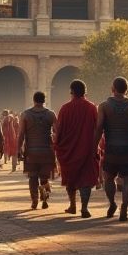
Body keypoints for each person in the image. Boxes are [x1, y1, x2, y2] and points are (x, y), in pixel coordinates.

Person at [94, 76, 128, 222]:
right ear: (127, 90)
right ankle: (125, 207)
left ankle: (112, 203)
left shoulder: (104, 106)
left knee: (108, 178)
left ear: (112, 89)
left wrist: (95, 146)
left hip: (111, 148)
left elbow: (99, 128)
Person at [54, 80, 99, 217]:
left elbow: (59, 130)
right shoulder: (91, 108)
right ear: (85, 92)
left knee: (71, 177)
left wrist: (57, 145)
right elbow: (97, 129)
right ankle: (84, 207)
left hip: (69, 150)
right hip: (87, 149)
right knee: (86, 179)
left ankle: (73, 205)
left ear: (71, 91)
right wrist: (96, 147)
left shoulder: (65, 108)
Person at [18, 91, 57, 210]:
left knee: (33, 177)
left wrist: (18, 149)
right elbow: (57, 132)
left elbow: (21, 134)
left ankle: (34, 200)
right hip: (46, 151)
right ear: (44, 100)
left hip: (31, 151)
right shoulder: (50, 114)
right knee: (44, 177)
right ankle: (44, 197)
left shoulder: (25, 114)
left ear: (34, 100)